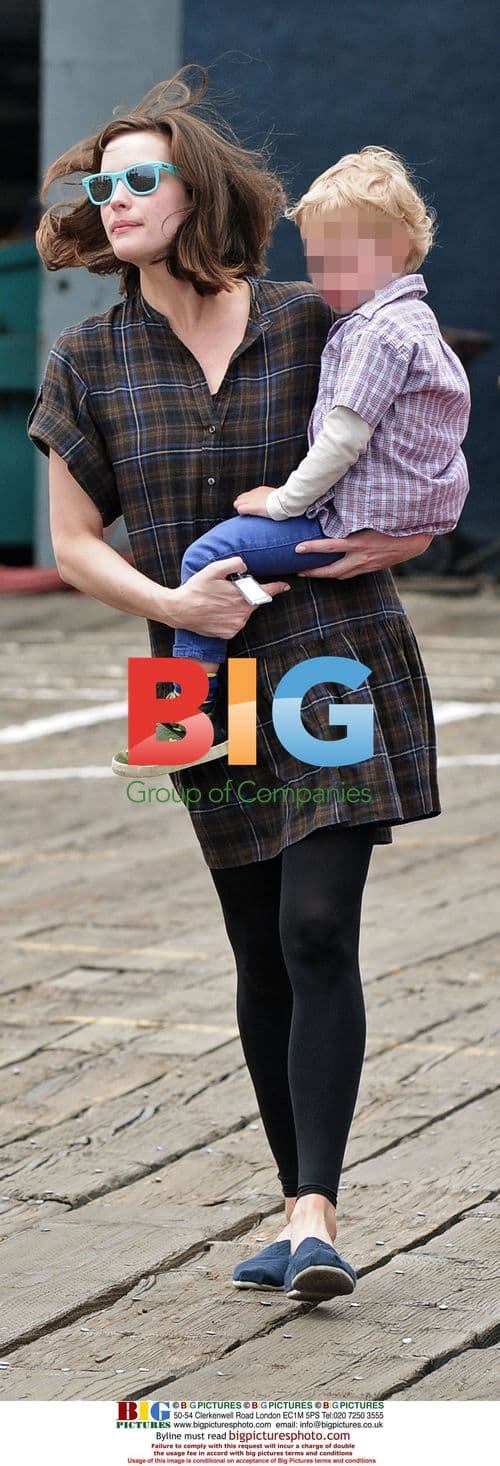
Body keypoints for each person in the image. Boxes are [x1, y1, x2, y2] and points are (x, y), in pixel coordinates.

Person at [28, 66, 439, 1303]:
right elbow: (73, 544)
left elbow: (419, 427)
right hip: (190, 676)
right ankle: (289, 1205)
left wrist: (402, 532)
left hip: (330, 652)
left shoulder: (315, 319)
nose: (114, 200)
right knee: (257, 941)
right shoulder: (88, 358)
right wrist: (170, 606)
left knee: (316, 924)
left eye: (140, 178)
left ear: (194, 191)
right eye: (101, 187)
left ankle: (316, 1209)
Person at [146, 145, 470, 773]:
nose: (325, 276)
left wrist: (282, 502)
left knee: (205, 556)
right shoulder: (413, 321)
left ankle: (178, 721)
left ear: (398, 249)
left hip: (347, 520)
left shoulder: (375, 331)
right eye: (317, 260)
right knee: (229, 569)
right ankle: (234, 626)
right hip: (386, 514)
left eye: (343, 259)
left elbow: (344, 439)